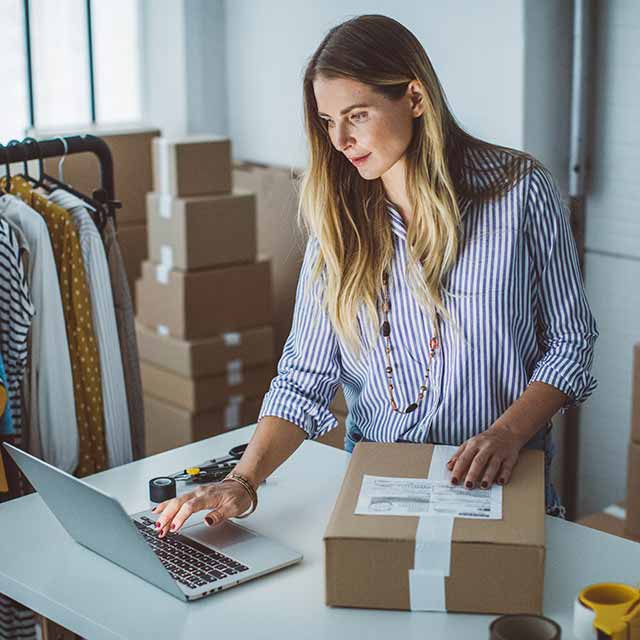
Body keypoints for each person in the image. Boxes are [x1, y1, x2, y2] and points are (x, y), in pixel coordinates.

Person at [153, 14, 598, 537]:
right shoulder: (337, 222)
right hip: (381, 488)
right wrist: (243, 482)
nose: (339, 139)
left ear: (414, 98)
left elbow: (571, 343)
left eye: (356, 115)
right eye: (326, 121)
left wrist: (507, 432)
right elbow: (305, 378)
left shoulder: (520, 192)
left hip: (501, 483)